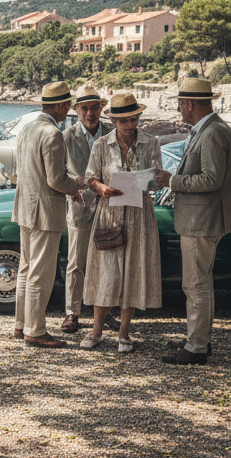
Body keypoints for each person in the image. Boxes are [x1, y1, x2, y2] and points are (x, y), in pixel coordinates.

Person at [155, 78, 231, 365]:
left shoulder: (213, 132)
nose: (179, 110)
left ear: (190, 104)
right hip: (201, 219)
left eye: (180, 105)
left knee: (195, 284)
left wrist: (173, 180)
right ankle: (198, 339)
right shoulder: (212, 129)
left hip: (201, 220)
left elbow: (211, 179)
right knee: (201, 282)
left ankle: (196, 347)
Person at [79, 93, 163, 352]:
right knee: (106, 273)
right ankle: (95, 332)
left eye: (134, 118)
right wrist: (101, 187)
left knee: (133, 272)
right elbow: (89, 178)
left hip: (139, 214)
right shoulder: (102, 145)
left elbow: (157, 178)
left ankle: (124, 334)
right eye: (124, 120)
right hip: (109, 212)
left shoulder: (151, 142)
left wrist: (147, 180)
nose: (130, 124)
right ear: (114, 120)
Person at [12, 81, 85, 348]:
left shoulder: (27, 128)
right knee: (40, 273)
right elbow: (55, 179)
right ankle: (35, 329)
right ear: (60, 106)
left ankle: (21, 324)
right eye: (68, 105)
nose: (69, 110)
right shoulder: (52, 133)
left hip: (24, 206)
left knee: (26, 269)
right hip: (44, 211)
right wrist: (76, 184)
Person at [60, 84, 114, 333]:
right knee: (76, 262)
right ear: (76, 110)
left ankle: (105, 310)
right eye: (85, 108)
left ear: (102, 108)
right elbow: (60, 173)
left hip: (110, 207)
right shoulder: (66, 137)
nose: (90, 113)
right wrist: (76, 186)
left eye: (95, 107)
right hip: (80, 208)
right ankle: (72, 312)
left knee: (108, 260)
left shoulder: (113, 133)